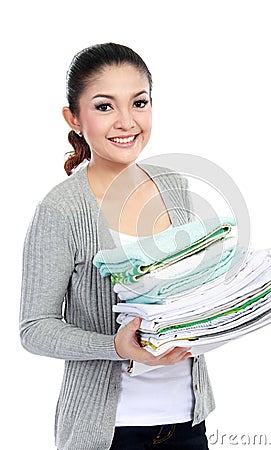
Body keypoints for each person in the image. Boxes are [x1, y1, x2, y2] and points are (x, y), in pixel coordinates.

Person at [19, 43, 215, 450]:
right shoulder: (61, 210)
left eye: (139, 103)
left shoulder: (175, 187)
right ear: (73, 118)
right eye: (105, 106)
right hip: (108, 434)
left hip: (189, 424)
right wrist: (114, 346)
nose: (127, 122)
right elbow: (34, 329)